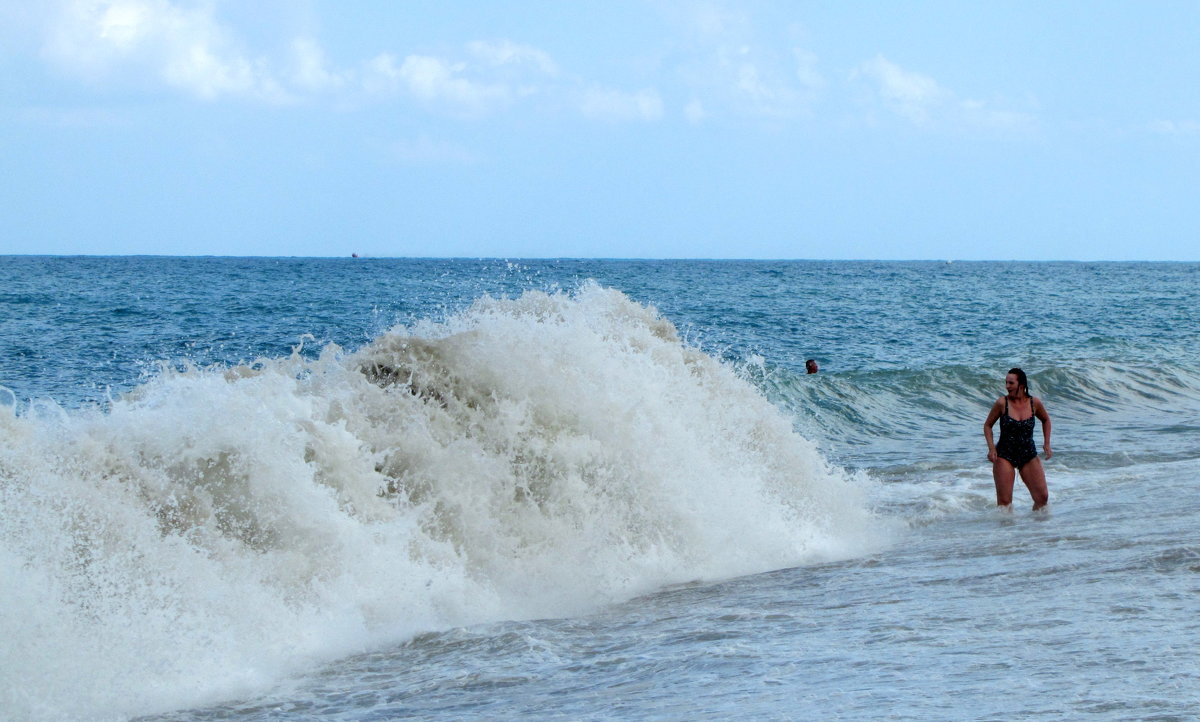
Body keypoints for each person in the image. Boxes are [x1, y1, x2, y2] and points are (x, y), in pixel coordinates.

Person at [983, 367, 1052, 510]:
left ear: (1021, 385)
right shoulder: (1002, 403)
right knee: (1004, 504)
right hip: (1004, 454)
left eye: (1011, 383)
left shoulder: (1034, 403)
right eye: (1006, 383)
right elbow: (988, 425)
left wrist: (1047, 443)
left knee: (1042, 498)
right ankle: (1007, 531)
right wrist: (991, 448)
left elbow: (1046, 420)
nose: (1007, 386)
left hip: (1028, 453)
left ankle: (1036, 530)